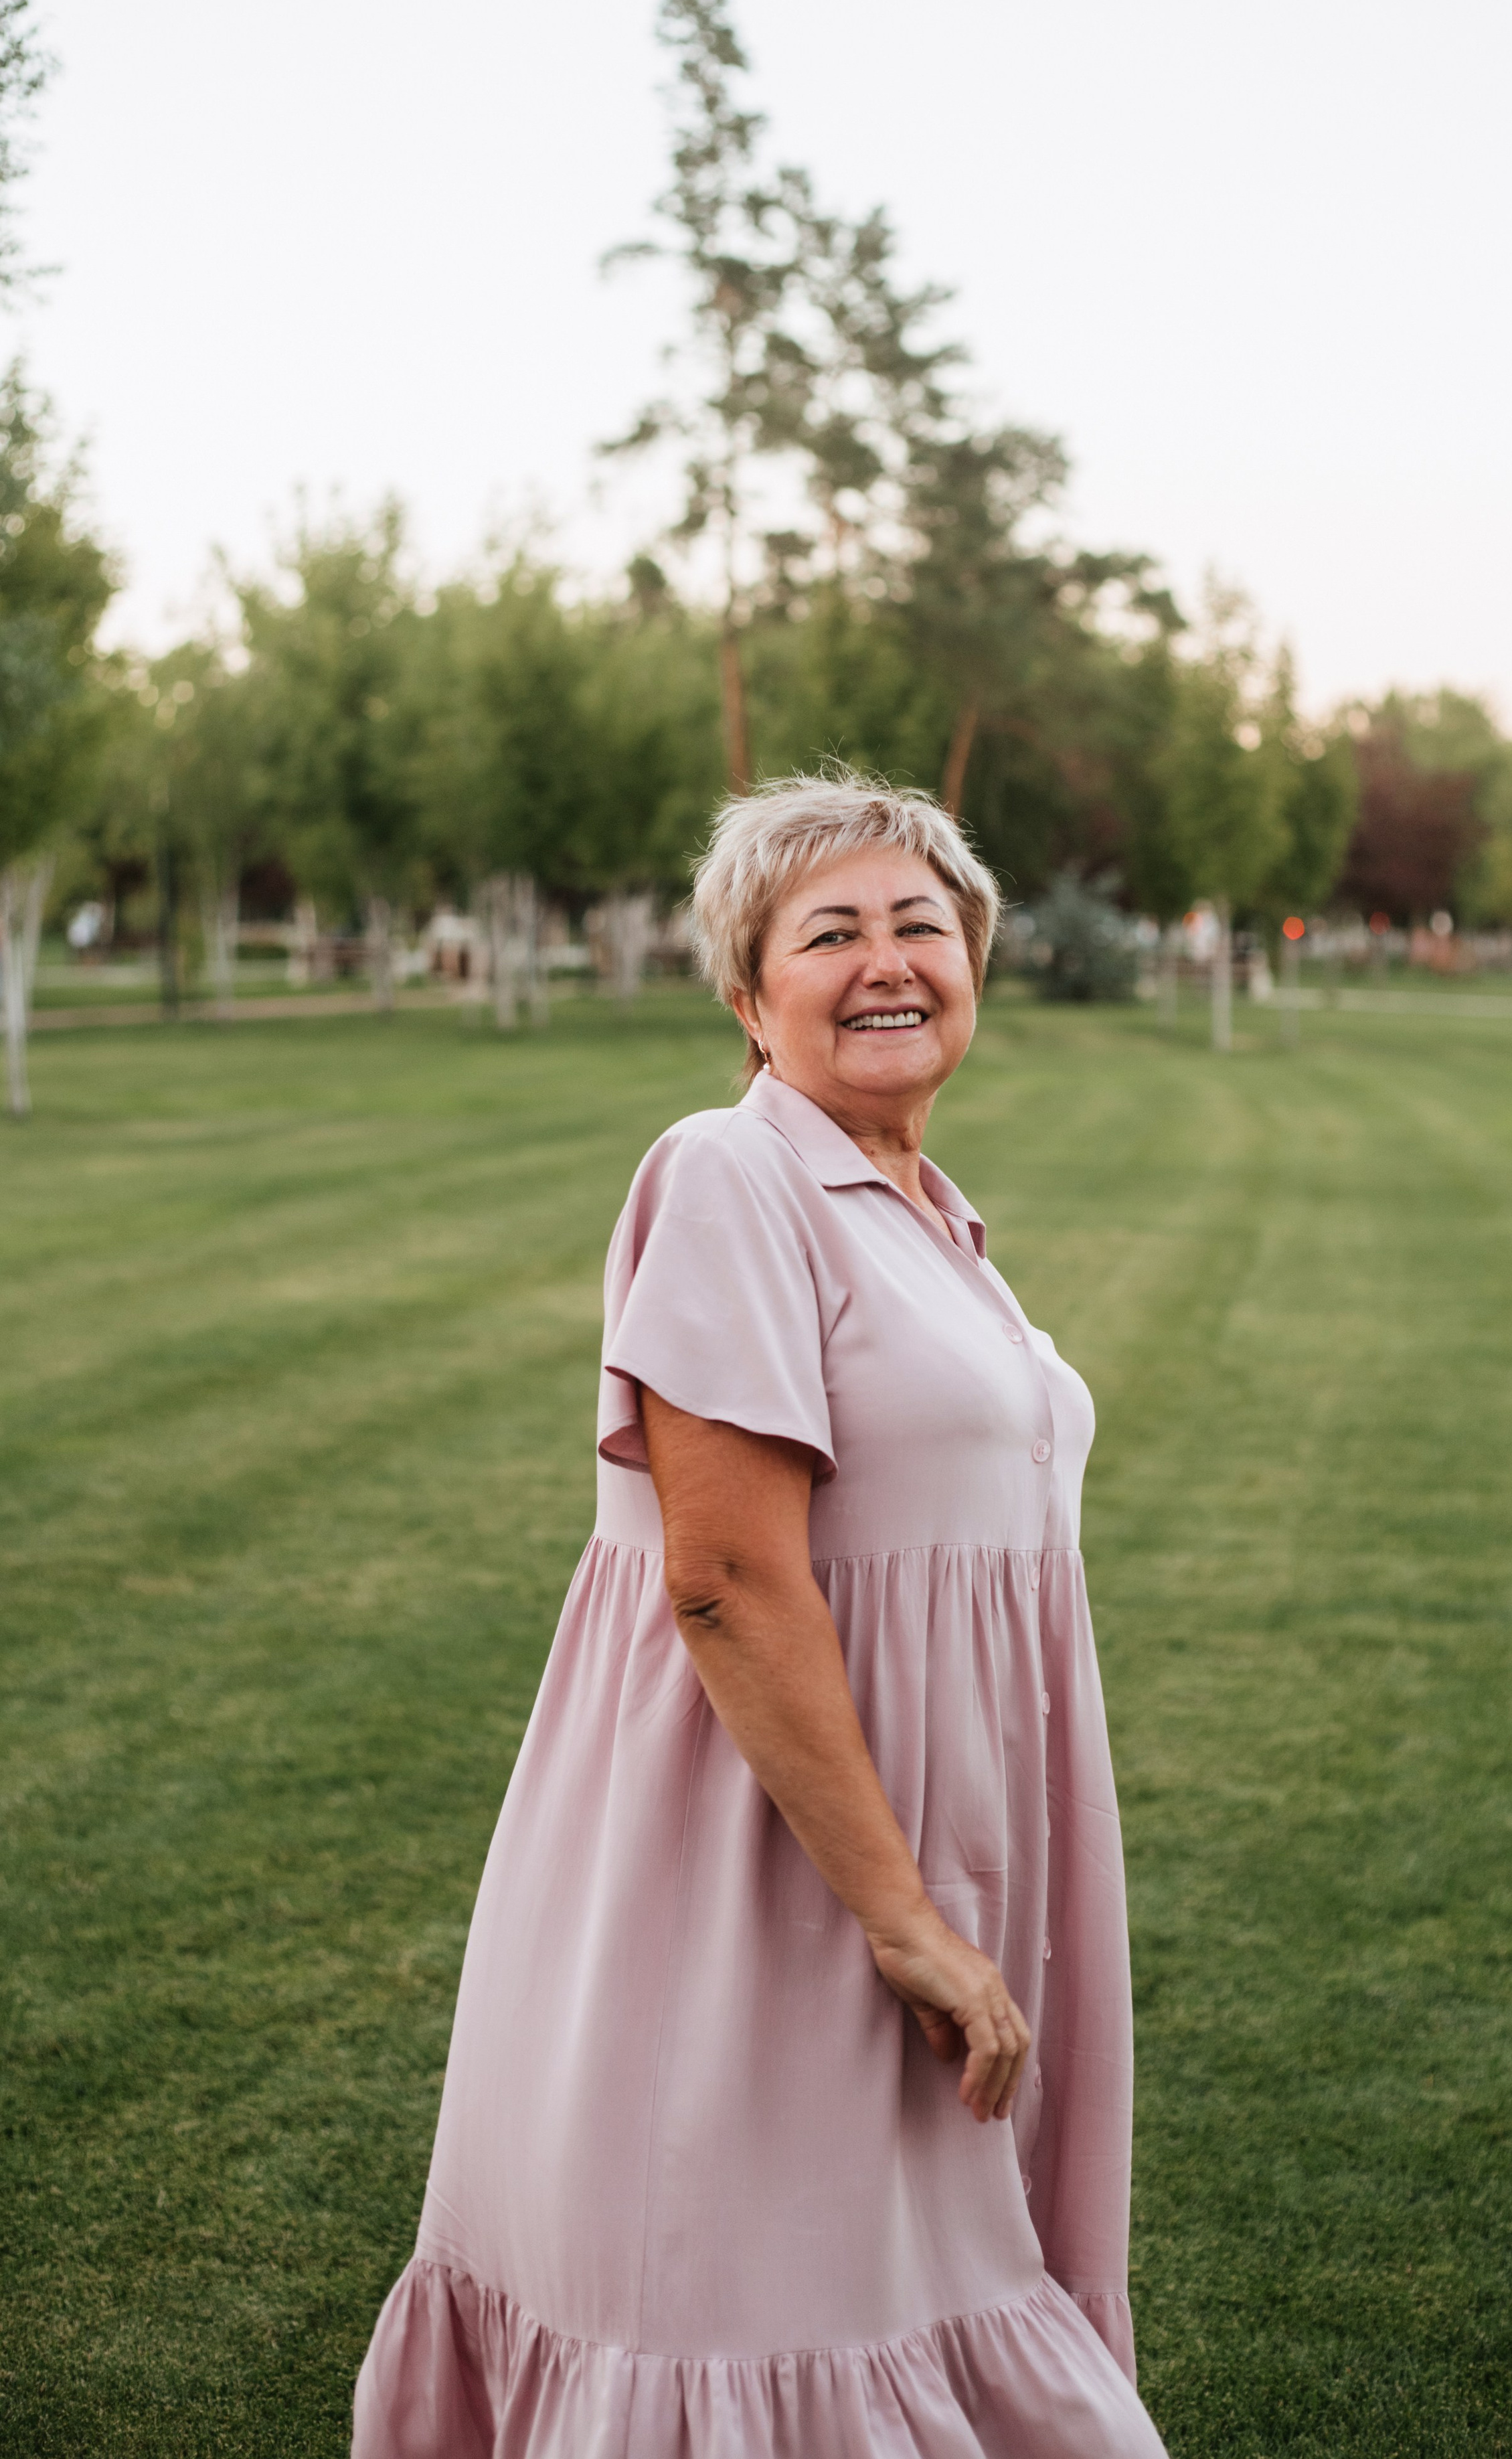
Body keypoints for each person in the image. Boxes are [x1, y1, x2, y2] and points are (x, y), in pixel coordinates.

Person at [353, 774, 1168, 2458]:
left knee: (915, 2278)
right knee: (768, 2307)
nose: (887, 962)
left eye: (921, 925)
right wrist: (900, 1915)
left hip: (932, 1845)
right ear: (747, 996)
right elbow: (721, 1575)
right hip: (770, 1877)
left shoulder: (931, 1217)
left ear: (974, 964)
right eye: (830, 934)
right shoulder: (730, 1172)